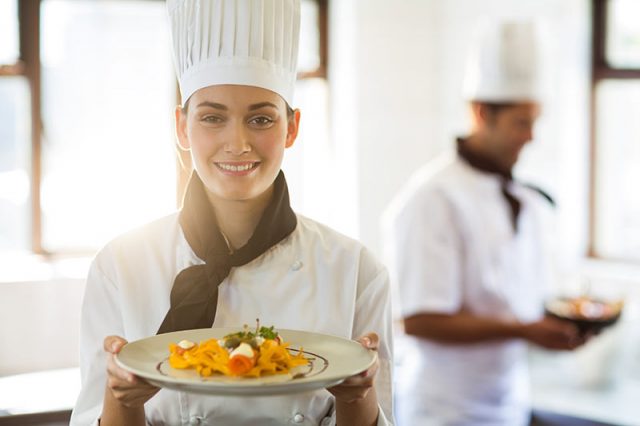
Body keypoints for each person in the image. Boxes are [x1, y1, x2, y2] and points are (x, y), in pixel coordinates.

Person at [70, 1, 393, 425]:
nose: (237, 143)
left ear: (292, 127)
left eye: (260, 119)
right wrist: (123, 399)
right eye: (211, 118)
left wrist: (358, 395)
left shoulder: (355, 270)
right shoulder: (121, 265)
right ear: (181, 128)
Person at [384, 20, 585, 425]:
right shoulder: (432, 198)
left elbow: (514, 300)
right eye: (521, 123)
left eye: (535, 122)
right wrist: (526, 330)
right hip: (446, 409)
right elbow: (420, 319)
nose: (531, 137)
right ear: (481, 113)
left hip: (508, 400)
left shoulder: (520, 195)